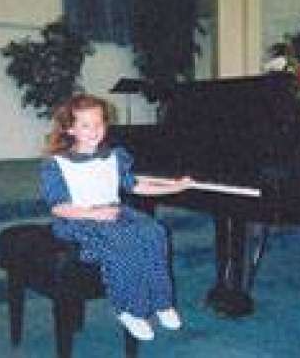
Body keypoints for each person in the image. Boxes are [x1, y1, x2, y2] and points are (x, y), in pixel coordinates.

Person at [39, 94, 192, 341]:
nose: (94, 131)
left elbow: (135, 185)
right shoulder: (57, 164)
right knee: (123, 242)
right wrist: (93, 213)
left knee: (154, 231)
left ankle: (162, 303)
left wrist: (174, 187)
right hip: (78, 218)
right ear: (70, 129)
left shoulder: (113, 156)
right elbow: (58, 207)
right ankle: (128, 310)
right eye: (85, 125)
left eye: (99, 124)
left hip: (115, 212)